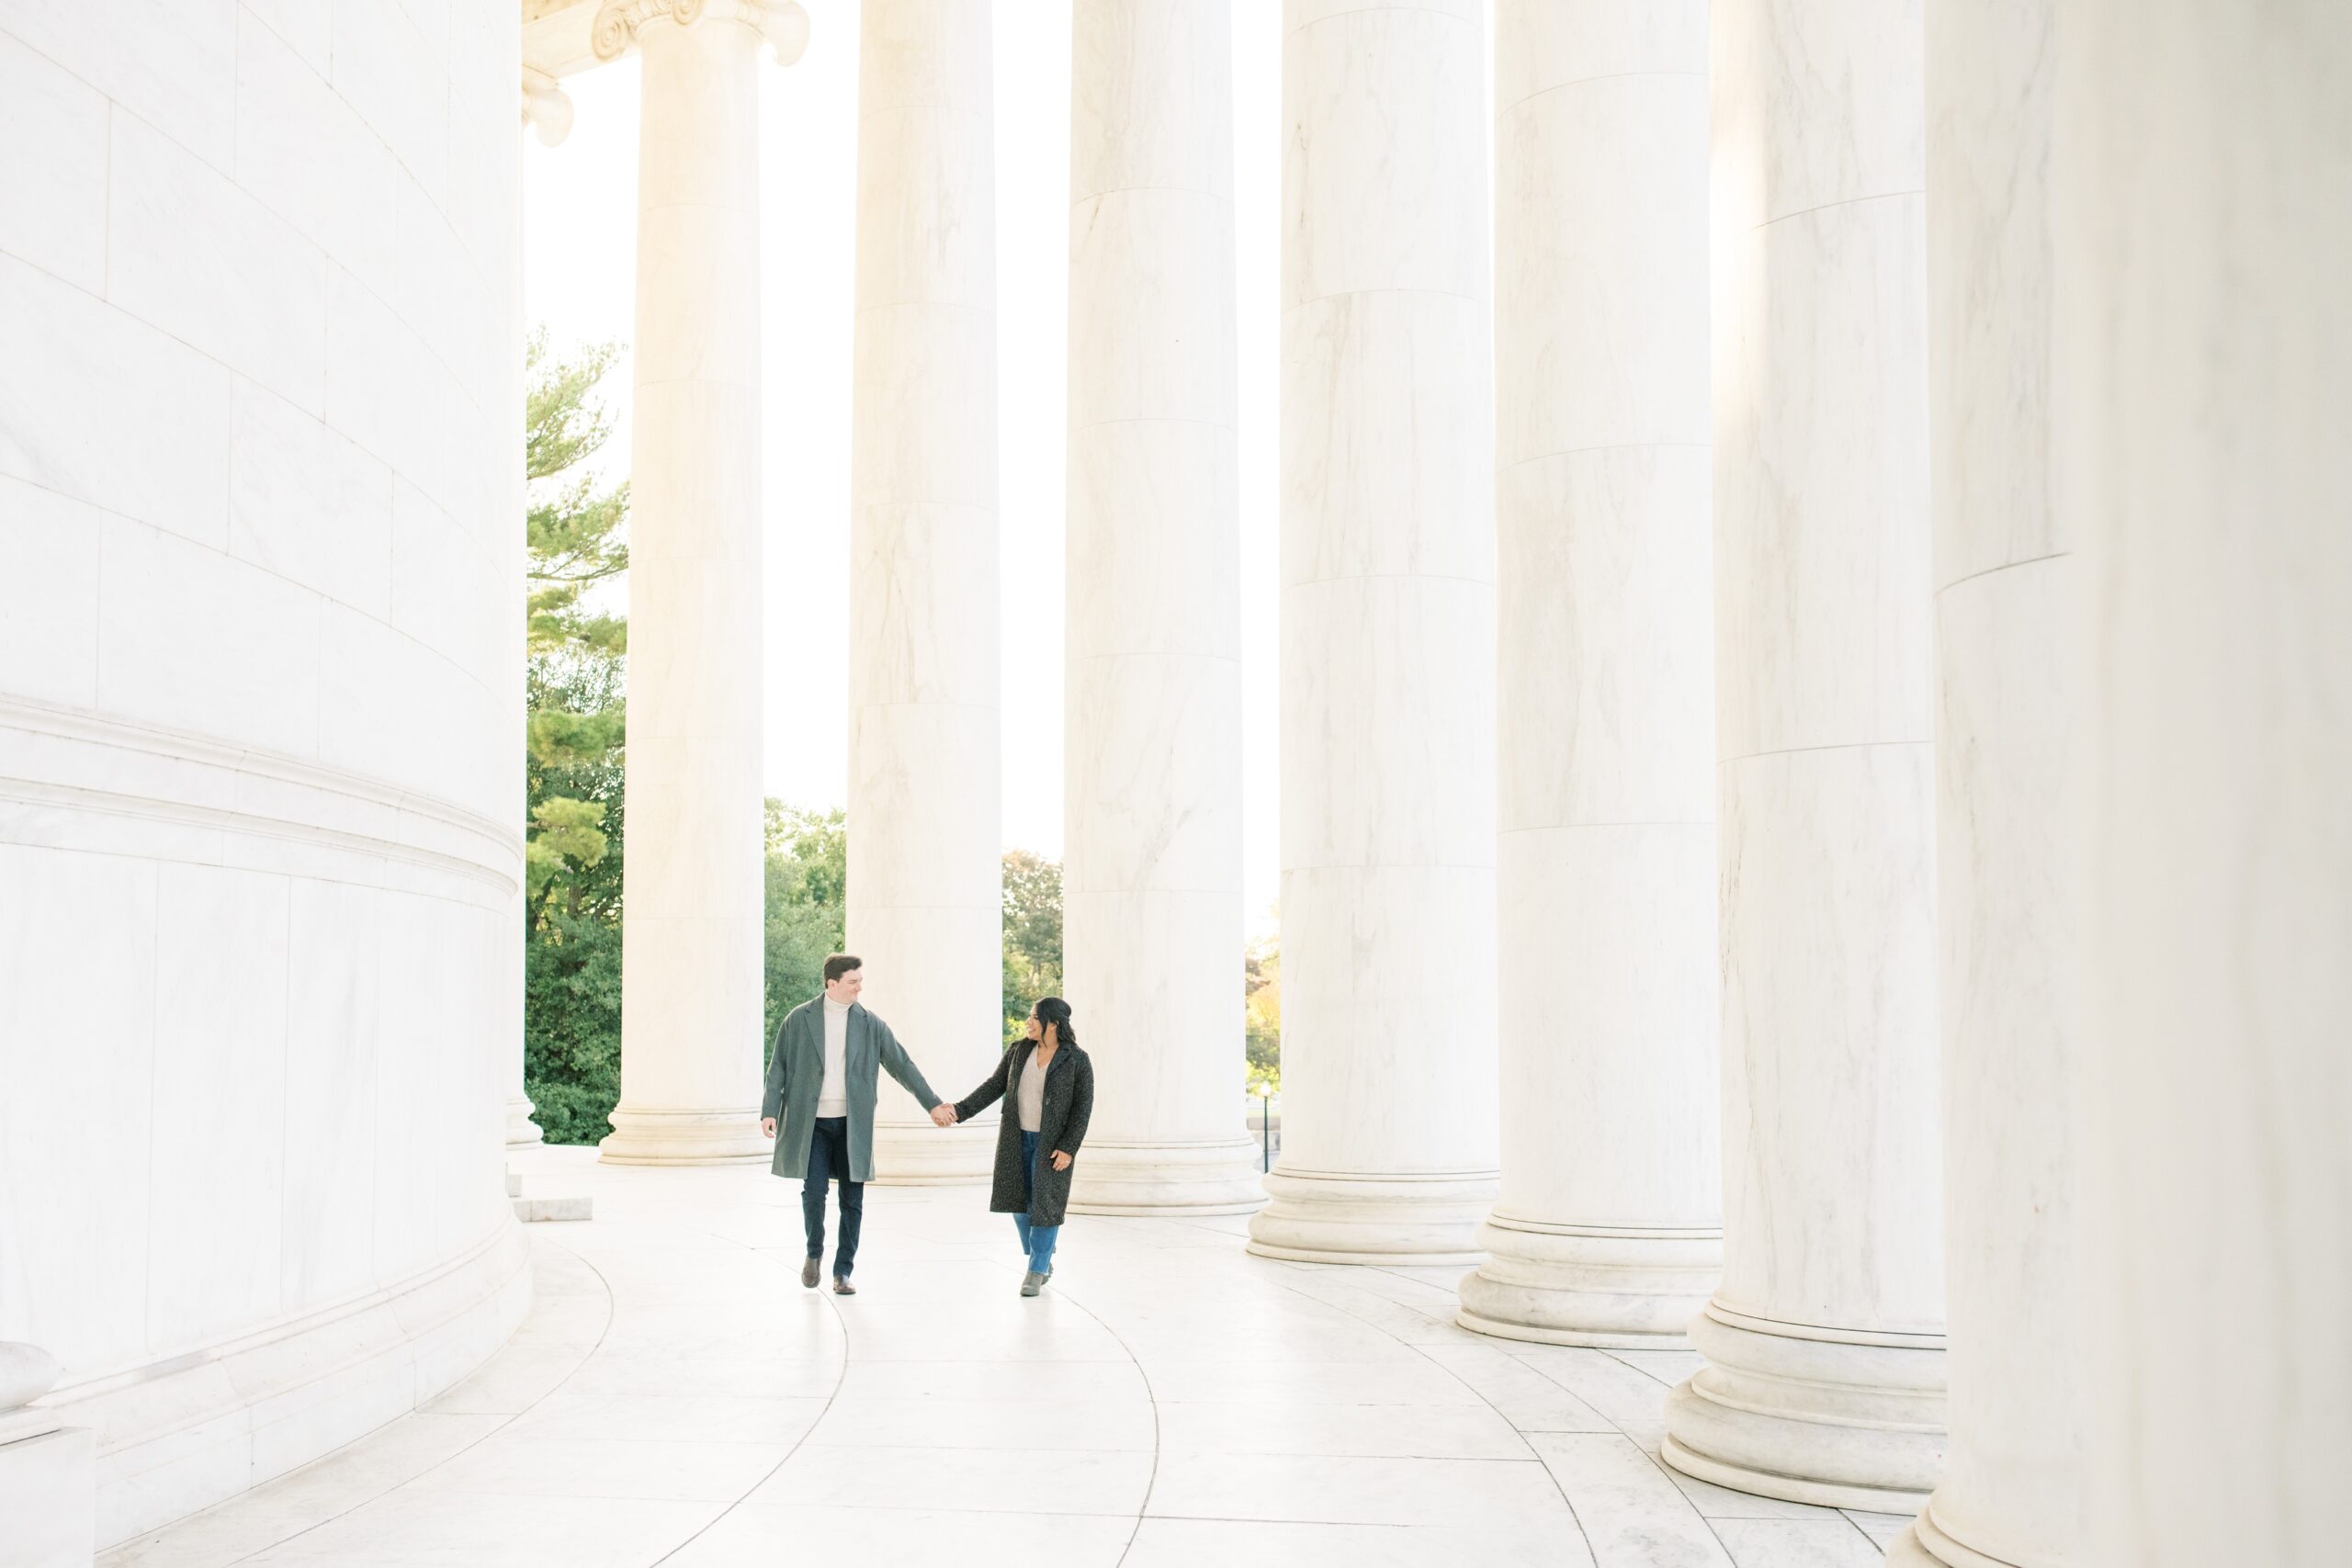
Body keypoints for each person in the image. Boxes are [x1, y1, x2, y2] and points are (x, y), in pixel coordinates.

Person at [761, 954, 947, 1295]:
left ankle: (843, 1271)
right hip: (811, 1124)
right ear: (831, 984)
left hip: (852, 1124)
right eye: (853, 981)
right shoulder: (798, 1019)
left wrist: (932, 1103)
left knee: (853, 1199)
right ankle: (814, 1252)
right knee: (814, 1193)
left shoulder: (870, 1023)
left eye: (860, 980)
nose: (860, 987)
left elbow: (902, 1065)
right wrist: (769, 1109)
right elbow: (779, 1067)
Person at [934, 997, 1094, 1296]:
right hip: (1016, 1139)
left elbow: (1082, 1108)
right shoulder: (1019, 1052)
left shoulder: (1076, 1059)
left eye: (1035, 1017)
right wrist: (959, 1110)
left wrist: (1069, 1148)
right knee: (1020, 1205)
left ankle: (1036, 1270)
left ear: (1053, 1023)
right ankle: (1042, 1252)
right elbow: (994, 1086)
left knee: (1045, 1206)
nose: (1028, 1022)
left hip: (1052, 1145)